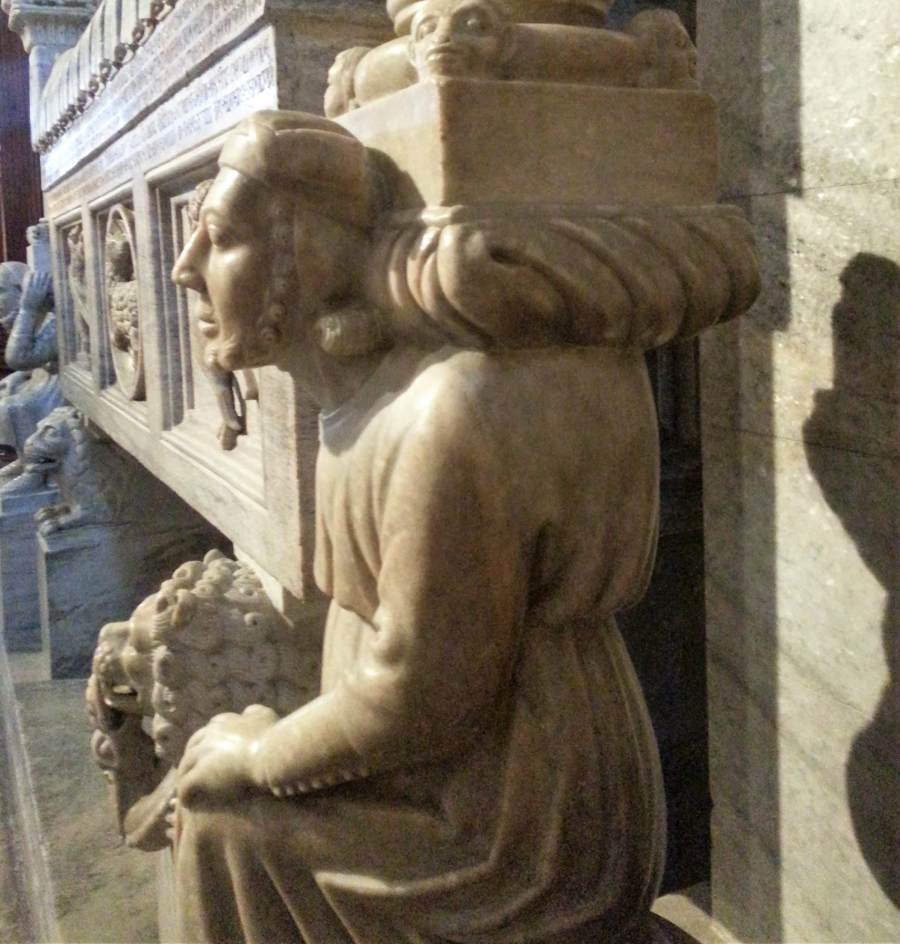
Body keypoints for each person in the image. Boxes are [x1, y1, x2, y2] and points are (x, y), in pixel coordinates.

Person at [168, 111, 668, 943]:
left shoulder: (439, 419)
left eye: (218, 239)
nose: (185, 271)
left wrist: (262, 758)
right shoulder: (354, 409)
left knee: (230, 824)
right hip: (426, 775)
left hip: (521, 826)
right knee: (212, 780)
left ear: (306, 260)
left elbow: (424, 694)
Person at [0, 262, 63, 489]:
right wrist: (17, 377)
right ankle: (25, 459)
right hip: (44, 380)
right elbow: (30, 363)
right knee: (6, 390)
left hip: (62, 388)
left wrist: (28, 308)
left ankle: (41, 473)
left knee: (14, 407)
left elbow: (18, 357)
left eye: (1, 290)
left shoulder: (56, 321)